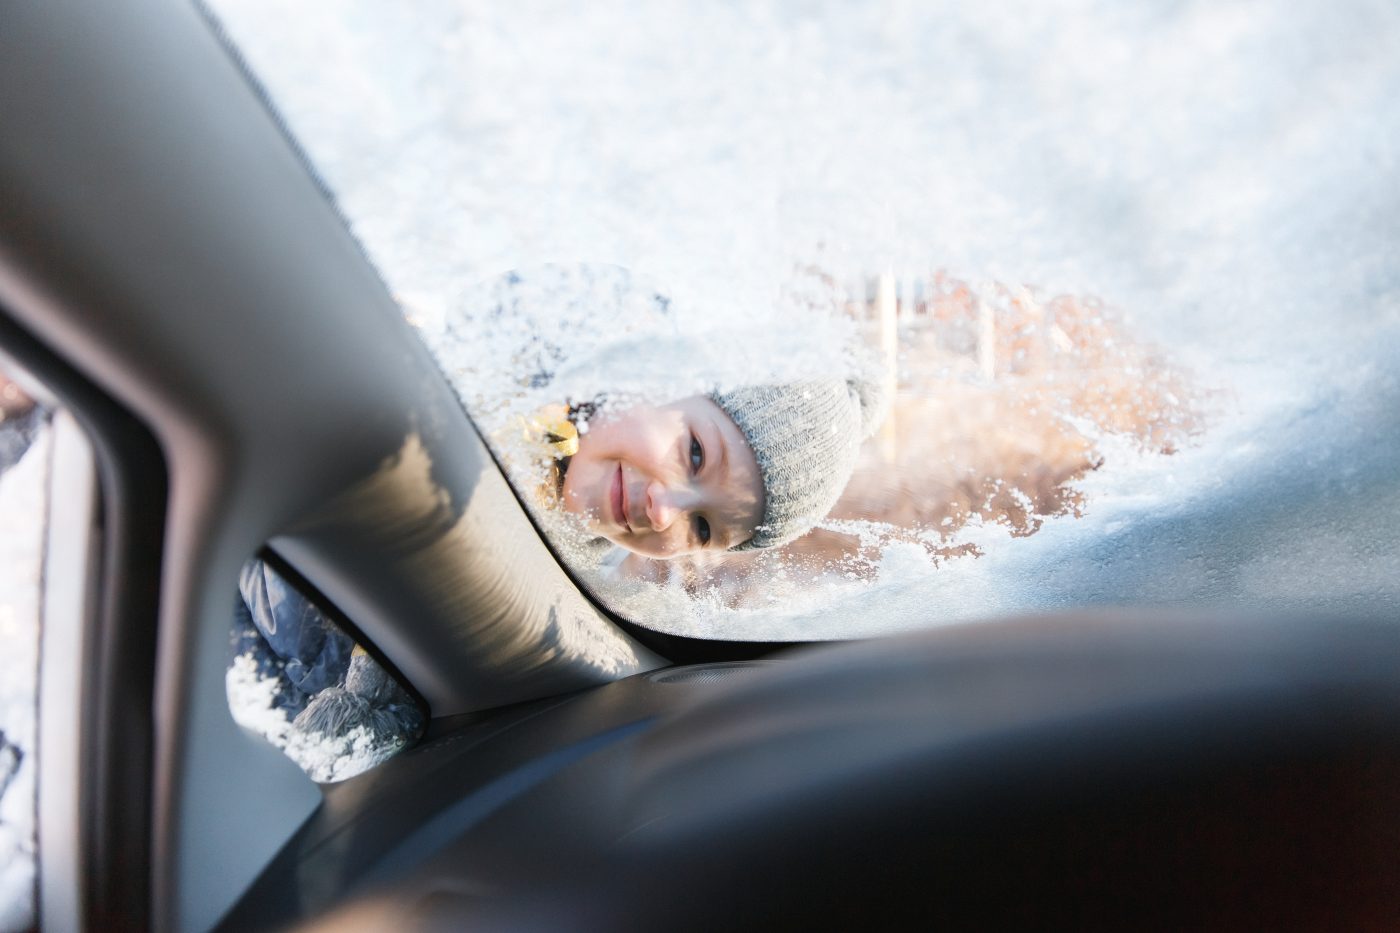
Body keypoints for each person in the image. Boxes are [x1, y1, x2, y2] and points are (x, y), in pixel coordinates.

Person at [529, 375, 886, 561]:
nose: (663, 513)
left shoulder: (552, 574)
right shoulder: (507, 367)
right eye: (696, 455)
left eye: (702, 528)